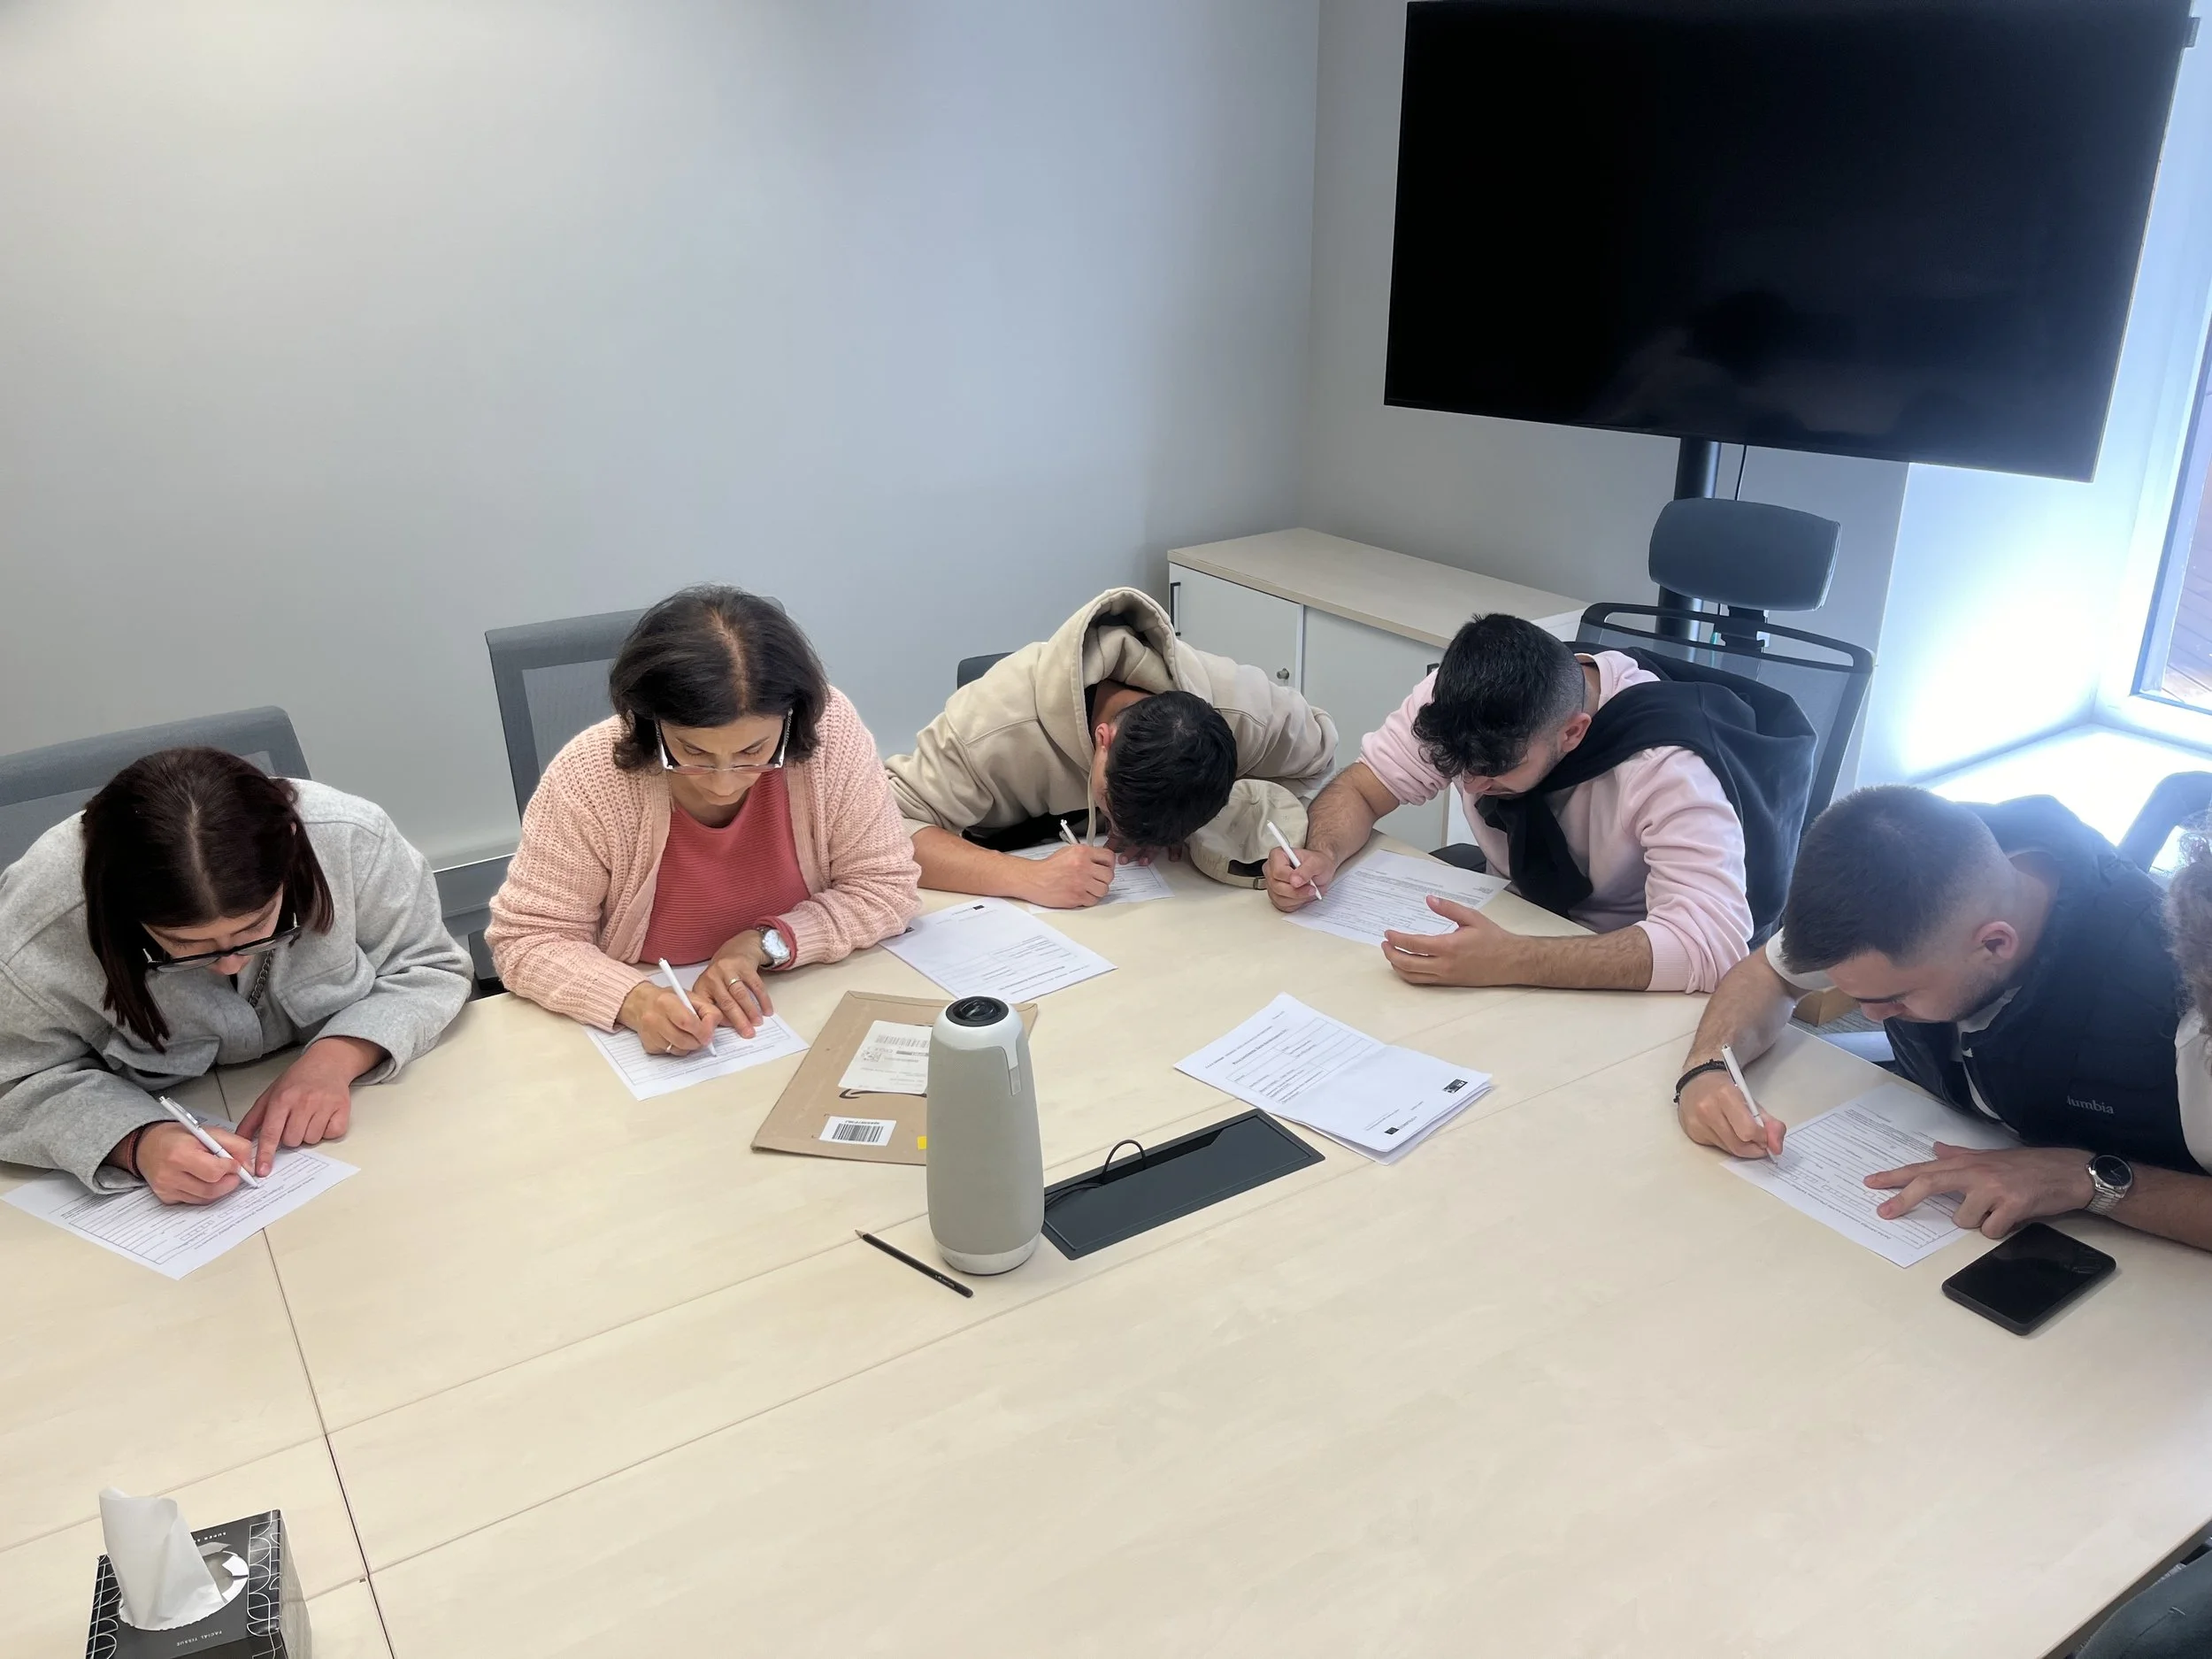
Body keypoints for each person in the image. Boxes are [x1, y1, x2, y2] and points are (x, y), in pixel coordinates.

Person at [1675, 787, 2212, 1253]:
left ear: (1994, 944)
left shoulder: (2184, 999)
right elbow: (1768, 974)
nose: (1869, 1015)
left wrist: (2090, 1179)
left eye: (1895, 998)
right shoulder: (1898, 879)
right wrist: (1708, 1067)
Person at [0, 749, 472, 1204]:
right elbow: (15, 1080)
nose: (229, 963)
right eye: (185, 944)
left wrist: (339, 1056)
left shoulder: (351, 838)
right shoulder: (36, 922)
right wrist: (136, 1142)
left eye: (256, 927)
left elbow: (427, 964)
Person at [1264, 612, 1813, 993]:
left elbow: (1707, 945)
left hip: (1623, 961)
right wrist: (1322, 853)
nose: (1472, 786)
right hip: (1514, 917)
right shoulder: (1455, 705)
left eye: (1495, 770)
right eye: (1459, 767)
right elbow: (1362, 788)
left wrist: (1516, 959)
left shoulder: (1669, 765)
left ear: (1573, 733)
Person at [489, 586, 919, 1057]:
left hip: (802, 1005)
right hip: (655, 1033)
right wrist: (635, 1001)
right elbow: (527, 939)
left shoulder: (829, 735)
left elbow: (884, 887)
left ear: (791, 719)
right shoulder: (592, 777)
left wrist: (763, 943)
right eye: (692, 752)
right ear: (650, 721)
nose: (723, 784)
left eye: (754, 751)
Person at [884, 588, 1338, 908]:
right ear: (1104, 739)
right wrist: (1028, 877)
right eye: (1109, 804)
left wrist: (1202, 823)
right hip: (1006, 877)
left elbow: (1318, 764)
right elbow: (885, 829)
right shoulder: (992, 723)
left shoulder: (1244, 708)